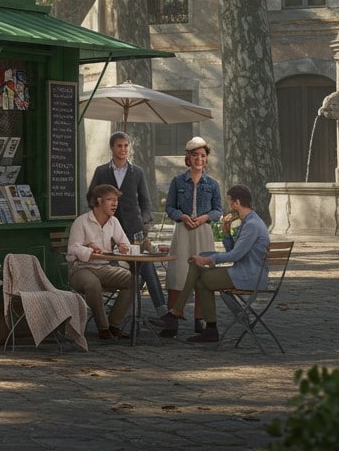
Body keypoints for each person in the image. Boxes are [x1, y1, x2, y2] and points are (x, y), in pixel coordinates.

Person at [168, 185, 270, 343]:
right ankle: (206, 327)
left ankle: (178, 312)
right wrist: (227, 231)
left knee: (199, 269)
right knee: (199, 272)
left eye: (229, 202)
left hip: (249, 276)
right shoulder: (248, 221)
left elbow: (235, 255)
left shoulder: (252, 225)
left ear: (236, 202)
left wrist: (208, 260)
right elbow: (234, 250)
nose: (229, 206)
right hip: (244, 272)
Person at [86, 131, 166, 318]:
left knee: (145, 266)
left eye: (126, 146)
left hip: (133, 230)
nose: (123, 149)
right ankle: (114, 314)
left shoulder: (137, 172)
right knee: (116, 268)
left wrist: (144, 220)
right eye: (119, 145)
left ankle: (162, 312)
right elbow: (91, 197)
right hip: (107, 232)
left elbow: (146, 202)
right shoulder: (101, 171)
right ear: (112, 148)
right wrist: (98, 217)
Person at [149, 136, 222, 337]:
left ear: (206, 158)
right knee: (178, 273)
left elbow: (218, 210)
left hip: (203, 232)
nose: (199, 159)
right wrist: (181, 216)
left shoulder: (212, 184)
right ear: (188, 158)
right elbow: (170, 207)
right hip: (182, 230)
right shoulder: (177, 181)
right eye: (195, 155)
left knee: (202, 274)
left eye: (203, 155)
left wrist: (205, 217)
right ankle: (172, 323)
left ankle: (200, 320)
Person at [65, 184, 134, 340]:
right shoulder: (81, 221)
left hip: (104, 268)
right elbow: (73, 249)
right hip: (80, 269)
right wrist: (89, 249)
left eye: (116, 200)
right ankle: (103, 328)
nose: (115, 204)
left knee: (133, 279)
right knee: (92, 284)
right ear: (98, 201)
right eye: (110, 199)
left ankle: (114, 324)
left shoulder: (114, 222)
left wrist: (122, 247)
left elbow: (125, 245)